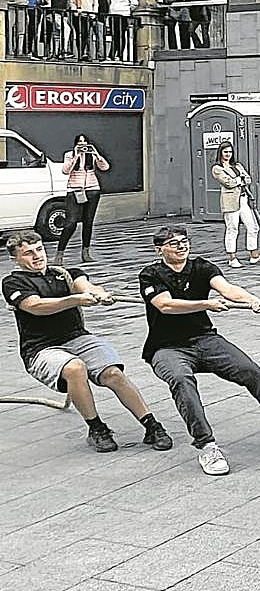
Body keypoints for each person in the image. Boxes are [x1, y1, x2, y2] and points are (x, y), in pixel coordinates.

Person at [139, 225, 260, 475]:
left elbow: (227, 289)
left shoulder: (202, 267)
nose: (181, 246)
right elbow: (166, 305)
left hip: (205, 339)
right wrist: (207, 304)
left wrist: (251, 299)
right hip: (166, 347)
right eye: (173, 243)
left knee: (252, 371)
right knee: (181, 381)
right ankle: (207, 446)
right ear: (159, 249)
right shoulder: (150, 275)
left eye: (184, 241)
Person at [3, 230, 172, 454]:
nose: (36, 256)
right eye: (27, 253)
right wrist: (75, 299)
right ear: (15, 258)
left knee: (113, 374)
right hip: (40, 349)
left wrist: (97, 294)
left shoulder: (64, 274)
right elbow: (36, 306)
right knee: (75, 368)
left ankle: (151, 425)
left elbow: (86, 286)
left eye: (39, 249)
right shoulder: (13, 282)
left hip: (78, 339)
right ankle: (96, 429)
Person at [54, 133, 110, 265]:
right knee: (71, 222)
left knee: (88, 221)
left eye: (84, 142)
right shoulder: (70, 154)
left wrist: (96, 153)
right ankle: (59, 255)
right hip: (75, 190)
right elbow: (65, 170)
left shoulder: (92, 154)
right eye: (80, 141)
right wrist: (76, 155)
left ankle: (86, 253)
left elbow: (105, 167)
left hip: (92, 190)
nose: (82, 144)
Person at [211, 142, 260, 268]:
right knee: (232, 228)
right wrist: (239, 180)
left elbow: (248, 179)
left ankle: (254, 255)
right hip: (230, 201)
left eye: (230, 152)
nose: (228, 154)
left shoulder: (237, 165)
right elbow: (228, 183)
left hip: (243, 198)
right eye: (225, 152)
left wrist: (240, 180)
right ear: (221, 153)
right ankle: (232, 257)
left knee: (252, 226)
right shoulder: (217, 168)